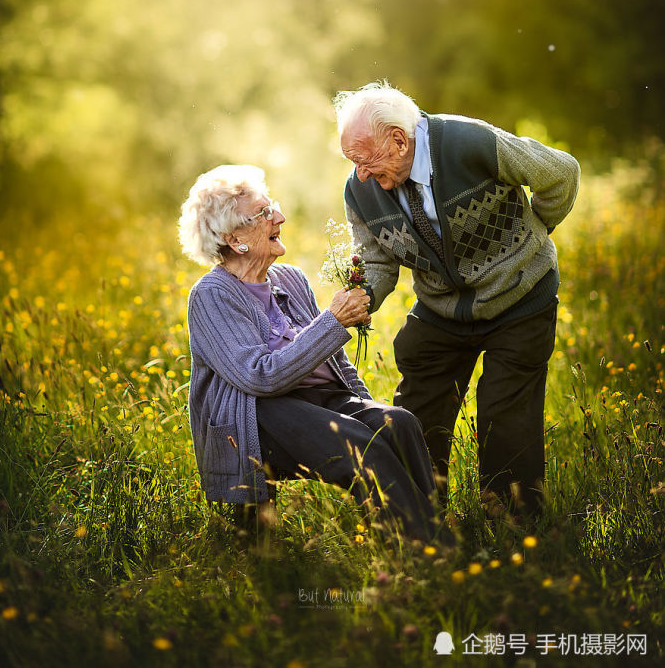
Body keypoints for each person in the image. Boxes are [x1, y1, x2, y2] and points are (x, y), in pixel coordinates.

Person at [334, 82, 581, 515]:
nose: (361, 174)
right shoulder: (361, 191)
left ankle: (513, 523)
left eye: (364, 159)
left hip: (520, 297)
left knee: (506, 415)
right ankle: (416, 515)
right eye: (351, 162)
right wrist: (364, 296)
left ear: (398, 140)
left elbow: (561, 172)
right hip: (442, 307)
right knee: (416, 406)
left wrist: (531, 234)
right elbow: (376, 261)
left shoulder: (470, 142)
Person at [178, 163, 448, 543]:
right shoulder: (211, 296)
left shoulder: (289, 278)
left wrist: (367, 407)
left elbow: (333, 360)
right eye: (264, 213)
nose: (280, 217)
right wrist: (333, 321)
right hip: (261, 418)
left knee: (397, 423)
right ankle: (434, 553)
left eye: (274, 206)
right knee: (360, 445)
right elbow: (260, 377)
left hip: (323, 401)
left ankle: (416, 536)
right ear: (234, 238)